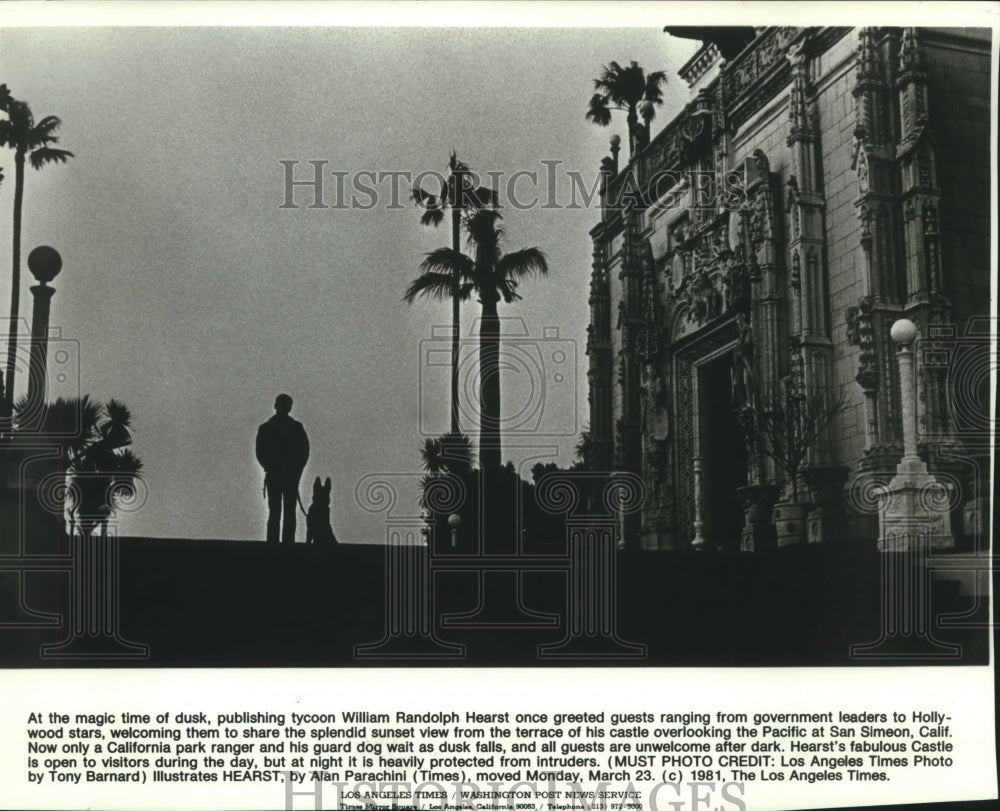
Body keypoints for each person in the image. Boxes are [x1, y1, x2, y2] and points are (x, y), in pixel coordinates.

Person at [255, 394, 309, 544]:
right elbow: (261, 453)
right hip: (279, 475)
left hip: (285, 475)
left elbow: (303, 453)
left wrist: (293, 471)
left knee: (281, 512)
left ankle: (282, 544)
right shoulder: (269, 428)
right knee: (280, 512)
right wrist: (277, 468)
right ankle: (281, 544)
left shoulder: (270, 428)